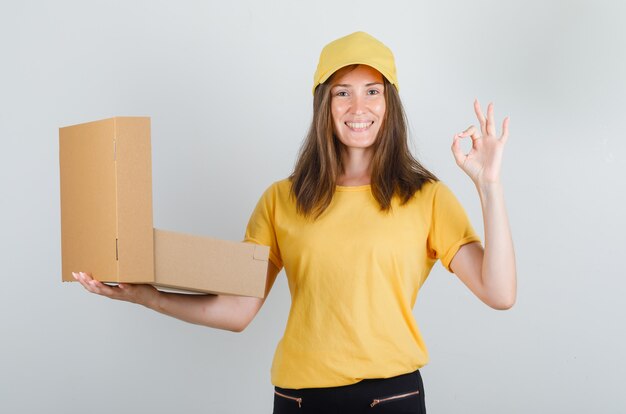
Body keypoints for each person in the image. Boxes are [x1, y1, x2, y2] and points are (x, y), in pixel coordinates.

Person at [74, 31, 516, 413]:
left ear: (390, 102)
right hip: (300, 401)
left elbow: (499, 293)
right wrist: (148, 296)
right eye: (342, 92)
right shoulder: (283, 200)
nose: (357, 106)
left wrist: (488, 186)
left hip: (392, 399)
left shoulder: (426, 196)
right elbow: (237, 311)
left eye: (372, 90)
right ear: (323, 103)